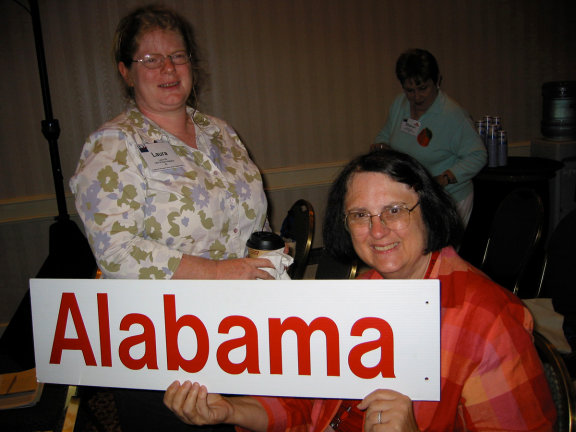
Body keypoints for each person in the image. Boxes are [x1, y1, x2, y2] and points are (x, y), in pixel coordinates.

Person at [163, 150, 556, 431]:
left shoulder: (486, 319)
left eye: (395, 210)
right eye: (360, 215)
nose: (378, 229)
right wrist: (230, 411)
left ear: (429, 210)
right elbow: (301, 406)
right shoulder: (359, 294)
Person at [69, 5, 275, 431]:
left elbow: (252, 218)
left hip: (239, 328)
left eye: (177, 56)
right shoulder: (113, 145)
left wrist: (269, 255)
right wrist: (217, 272)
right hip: (159, 336)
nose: (168, 67)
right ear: (126, 71)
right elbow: (117, 253)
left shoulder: (221, 132)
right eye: (151, 59)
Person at [373, 48, 486, 227]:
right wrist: (381, 148)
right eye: (409, 90)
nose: (416, 96)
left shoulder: (453, 115)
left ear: (437, 80)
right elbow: (386, 134)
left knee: (439, 253)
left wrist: (444, 178)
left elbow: (477, 155)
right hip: (413, 196)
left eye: (423, 88)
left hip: (448, 198)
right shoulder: (399, 104)